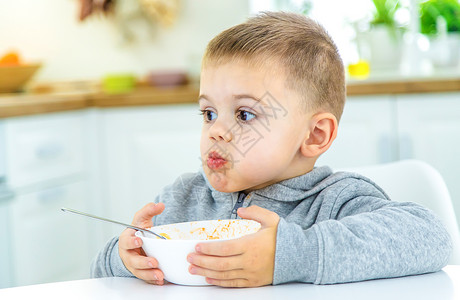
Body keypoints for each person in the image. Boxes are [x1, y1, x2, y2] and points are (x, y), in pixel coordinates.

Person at [91, 12, 452, 287]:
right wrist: (128, 257)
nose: (217, 131)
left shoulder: (335, 201)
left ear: (314, 135)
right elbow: (99, 276)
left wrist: (291, 255)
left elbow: (430, 238)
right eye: (209, 113)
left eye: (245, 114)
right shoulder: (182, 199)